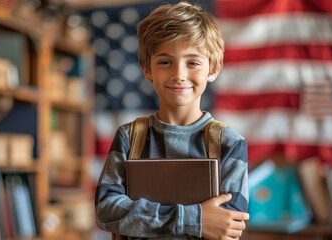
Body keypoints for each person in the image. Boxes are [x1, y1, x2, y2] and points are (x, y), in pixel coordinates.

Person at [95, 1, 249, 239]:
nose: (179, 74)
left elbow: (229, 224)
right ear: (147, 69)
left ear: (213, 70)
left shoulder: (229, 143)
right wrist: (195, 219)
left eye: (193, 63)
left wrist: (141, 217)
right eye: (165, 62)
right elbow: (107, 210)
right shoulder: (129, 137)